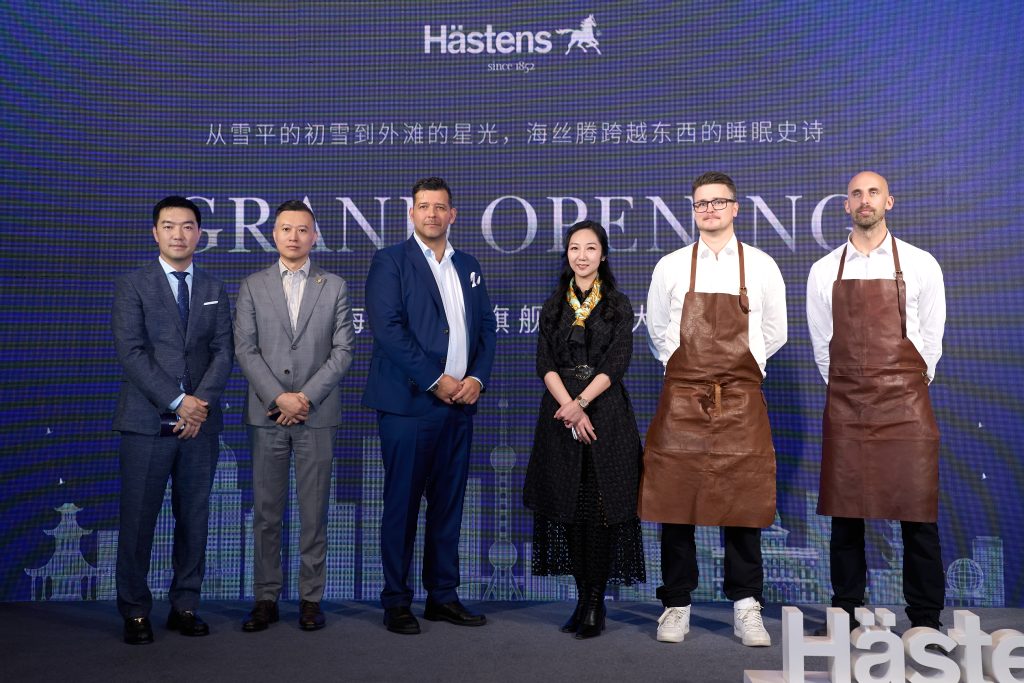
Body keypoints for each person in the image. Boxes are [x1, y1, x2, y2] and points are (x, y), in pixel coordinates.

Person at [641, 171, 787, 647]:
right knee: (675, 503)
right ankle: (676, 604)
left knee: (744, 505)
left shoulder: (761, 266)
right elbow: (658, 330)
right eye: (701, 203)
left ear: (735, 208)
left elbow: (775, 332)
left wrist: (743, 370)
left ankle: (746, 606)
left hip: (741, 399)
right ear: (693, 210)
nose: (709, 210)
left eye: (718, 202)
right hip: (683, 398)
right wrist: (684, 368)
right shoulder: (671, 266)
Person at [807, 171, 946, 633]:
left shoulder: (921, 264)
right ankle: (846, 611)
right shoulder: (825, 270)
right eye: (856, 194)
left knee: (917, 515)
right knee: (846, 515)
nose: (864, 200)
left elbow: (931, 340)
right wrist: (851, 385)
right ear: (846, 205)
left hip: (906, 403)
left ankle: (925, 621)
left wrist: (906, 382)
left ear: (889, 201)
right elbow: (823, 344)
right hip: (847, 403)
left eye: (873, 192)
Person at [363, 176, 496, 635]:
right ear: (412, 213)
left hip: (459, 407)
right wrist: (436, 380)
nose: (432, 214)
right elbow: (389, 330)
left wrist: (476, 378)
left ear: (452, 214)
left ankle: (443, 596)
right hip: (408, 405)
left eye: (440, 207)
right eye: (424, 206)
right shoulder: (390, 261)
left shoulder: (468, 264)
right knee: (401, 505)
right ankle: (397, 601)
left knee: (448, 506)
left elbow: (486, 329)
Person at [112, 196, 233, 644]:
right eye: (168, 226)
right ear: (155, 233)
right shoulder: (133, 285)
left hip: (200, 424)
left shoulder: (215, 287)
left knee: (195, 519)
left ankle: (185, 605)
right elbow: (131, 352)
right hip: (146, 422)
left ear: (199, 234)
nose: (178, 235)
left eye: (187, 227)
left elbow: (224, 351)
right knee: (138, 520)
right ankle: (135, 610)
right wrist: (179, 400)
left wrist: (199, 404)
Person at [234, 200, 354, 632]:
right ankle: (265, 598)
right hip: (267, 415)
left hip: (315, 415)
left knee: (313, 513)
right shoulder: (253, 286)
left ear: (314, 236)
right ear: (274, 235)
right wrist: (279, 398)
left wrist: (303, 398)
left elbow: (343, 351)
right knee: (266, 514)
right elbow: (245, 349)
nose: (294, 236)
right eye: (286, 229)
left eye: (303, 230)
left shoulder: (334, 286)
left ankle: (310, 598)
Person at [523, 220, 646, 640]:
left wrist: (582, 404)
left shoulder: (617, 304)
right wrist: (569, 407)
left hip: (605, 415)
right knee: (571, 512)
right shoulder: (553, 306)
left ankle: (595, 602)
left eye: (591, 248)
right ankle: (581, 600)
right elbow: (545, 364)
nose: (582, 256)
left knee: (601, 512)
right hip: (561, 416)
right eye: (575, 248)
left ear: (603, 255)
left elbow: (617, 362)